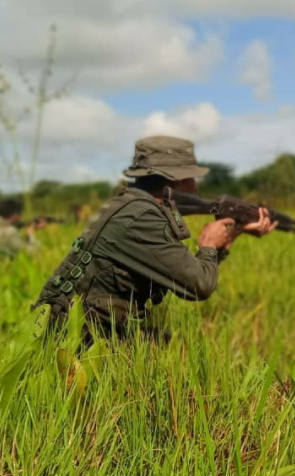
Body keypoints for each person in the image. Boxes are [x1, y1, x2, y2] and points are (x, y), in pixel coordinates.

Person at [35, 135, 277, 335]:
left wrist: (232, 233)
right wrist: (209, 246)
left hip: (83, 325)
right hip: (74, 336)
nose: (195, 186)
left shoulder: (133, 204)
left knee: (163, 341)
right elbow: (198, 285)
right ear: (174, 181)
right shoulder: (142, 218)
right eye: (191, 177)